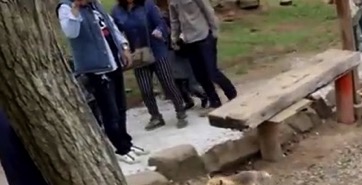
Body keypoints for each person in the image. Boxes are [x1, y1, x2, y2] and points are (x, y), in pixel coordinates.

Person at [57, 0, 148, 164]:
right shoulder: (65, 7)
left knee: (121, 106)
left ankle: (126, 141)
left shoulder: (95, 5)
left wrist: (124, 47)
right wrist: (76, 7)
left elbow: (110, 26)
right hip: (96, 68)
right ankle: (120, 148)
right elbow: (71, 32)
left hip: (112, 60)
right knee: (109, 111)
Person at [112, 0, 189, 130]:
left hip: (156, 49)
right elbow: (117, 33)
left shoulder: (147, 5)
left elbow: (161, 24)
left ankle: (180, 111)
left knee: (168, 83)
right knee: (145, 89)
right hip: (138, 55)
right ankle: (155, 116)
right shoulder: (117, 12)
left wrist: (159, 30)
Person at [169, 0, 237, 116]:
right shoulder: (172, 1)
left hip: (204, 36)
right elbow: (174, 21)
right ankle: (214, 102)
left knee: (212, 71)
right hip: (188, 41)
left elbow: (208, 11)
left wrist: (214, 32)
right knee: (200, 74)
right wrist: (174, 37)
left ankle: (232, 95)